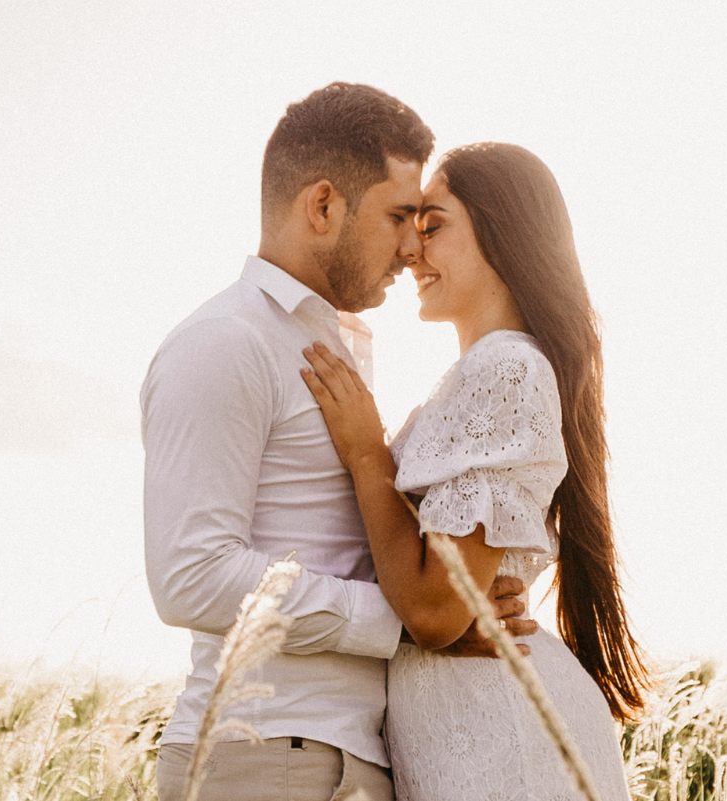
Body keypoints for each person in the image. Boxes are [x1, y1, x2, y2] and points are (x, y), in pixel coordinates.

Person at [141, 83, 536, 801]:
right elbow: (190, 575)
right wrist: (412, 623)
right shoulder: (225, 343)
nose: (411, 245)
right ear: (323, 207)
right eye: (397, 217)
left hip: (332, 759)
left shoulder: (330, 347)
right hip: (271, 756)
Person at [298, 142, 648, 801]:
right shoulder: (471, 379)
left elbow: (433, 608)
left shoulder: (507, 369)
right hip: (478, 725)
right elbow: (439, 600)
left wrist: (367, 453)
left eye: (433, 226)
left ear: (502, 232)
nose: (411, 249)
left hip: (499, 740)